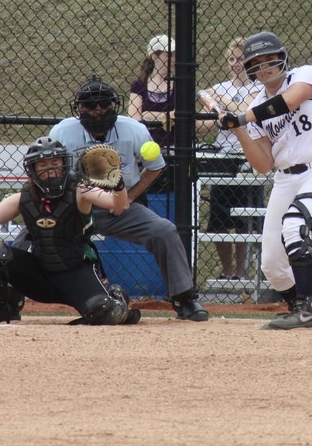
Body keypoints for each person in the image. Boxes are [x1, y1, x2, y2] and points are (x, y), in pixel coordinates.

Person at [219, 31, 312, 330]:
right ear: (250, 69)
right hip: (286, 178)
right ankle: (299, 308)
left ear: (283, 58)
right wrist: (237, 129)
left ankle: (306, 309)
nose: (265, 67)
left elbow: (289, 101)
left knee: (294, 224)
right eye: (258, 63)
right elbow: (263, 164)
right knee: (271, 264)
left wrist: (241, 118)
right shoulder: (256, 105)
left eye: (271, 59)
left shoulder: (304, 75)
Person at [48, 75, 208, 321]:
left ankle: (185, 298)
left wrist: (130, 197)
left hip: (119, 206)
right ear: (79, 108)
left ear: (115, 105)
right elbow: (51, 171)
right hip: (74, 206)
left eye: (104, 104)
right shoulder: (63, 131)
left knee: (164, 230)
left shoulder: (133, 129)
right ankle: (6, 296)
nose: (98, 110)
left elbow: (155, 167)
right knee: (34, 230)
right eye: (90, 105)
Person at [0, 137, 141, 325]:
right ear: (33, 169)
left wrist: (118, 185)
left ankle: (118, 299)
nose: (50, 169)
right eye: (43, 165)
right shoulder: (24, 197)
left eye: (55, 163)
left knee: (104, 312)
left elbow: (119, 203)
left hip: (76, 272)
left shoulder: (80, 190)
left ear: (64, 163)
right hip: (40, 274)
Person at [198, 37, 263, 280]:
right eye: (232, 59)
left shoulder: (258, 88)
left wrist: (218, 99)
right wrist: (215, 115)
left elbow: (244, 111)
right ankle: (227, 271)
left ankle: (241, 272)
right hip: (224, 158)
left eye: (241, 59)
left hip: (249, 158)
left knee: (245, 220)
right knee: (219, 221)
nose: (236, 64)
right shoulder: (221, 87)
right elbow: (201, 127)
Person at [128, 35, 176, 150]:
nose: (174, 59)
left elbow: (179, 115)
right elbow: (134, 119)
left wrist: (148, 115)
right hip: (146, 145)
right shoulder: (139, 85)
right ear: (154, 57)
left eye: (175, 55)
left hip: (174, 144)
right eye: (169, 55)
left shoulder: (179, 83)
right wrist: (167, 117)